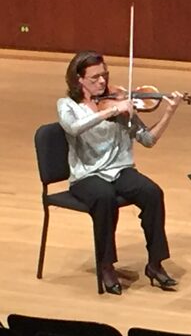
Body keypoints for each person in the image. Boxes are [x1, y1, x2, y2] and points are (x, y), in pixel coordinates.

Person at [57, 51, 183, 295]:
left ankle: (155, 264)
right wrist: (110, 112)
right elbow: (73, 128)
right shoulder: (68, 106)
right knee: (104, 198)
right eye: (94, 78)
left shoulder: (120, 102)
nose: (102, 82)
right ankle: (106, 266)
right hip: (87, 176)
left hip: (120, 169)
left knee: (152, 193)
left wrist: (169, 113)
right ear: (78, 80)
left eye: (104, 76)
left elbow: (148, 140)